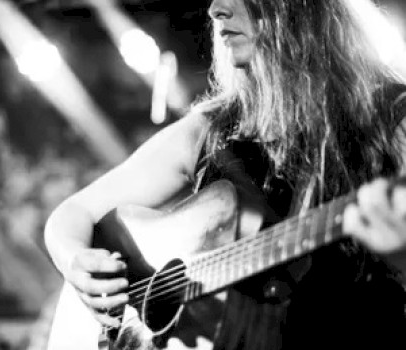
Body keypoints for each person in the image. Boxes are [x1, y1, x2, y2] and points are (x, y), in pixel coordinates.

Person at [44, 0, 406, 348]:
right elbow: (73, 214)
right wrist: (75, 260)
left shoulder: (392, 118)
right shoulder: (209, 129)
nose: (215, 9)